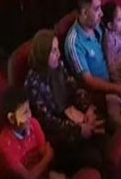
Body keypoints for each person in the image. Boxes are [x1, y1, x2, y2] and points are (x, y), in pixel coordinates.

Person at [24, 30, 105, 173]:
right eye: (54, 51)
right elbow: (48, 123)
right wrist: (78, 130)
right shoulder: (33, 84)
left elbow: (74, 88)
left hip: (73, 118)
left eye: (58, 49)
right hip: (59, 137)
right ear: (44, 55)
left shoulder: (58, 66)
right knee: (95, 157)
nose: (59, 54)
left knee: (104, 138)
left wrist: (88, 109)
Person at [65, 0, 121, 126]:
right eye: (97, 9)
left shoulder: (98, 25)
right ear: (84, 13)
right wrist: (118, 89)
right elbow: (88, 81)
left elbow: (120, 44)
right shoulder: (74, 42)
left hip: (117, 76)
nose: (101, 13)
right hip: (101, 93)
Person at [0, 87, 60, 179]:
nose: (30, 115)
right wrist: (47, 158)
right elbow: (28, 177)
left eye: (29, 109)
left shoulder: (33, 123)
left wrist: (45, 154)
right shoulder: (5, 146)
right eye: (25, 112)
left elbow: (42, 149)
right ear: (12, 118)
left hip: (40, 172)